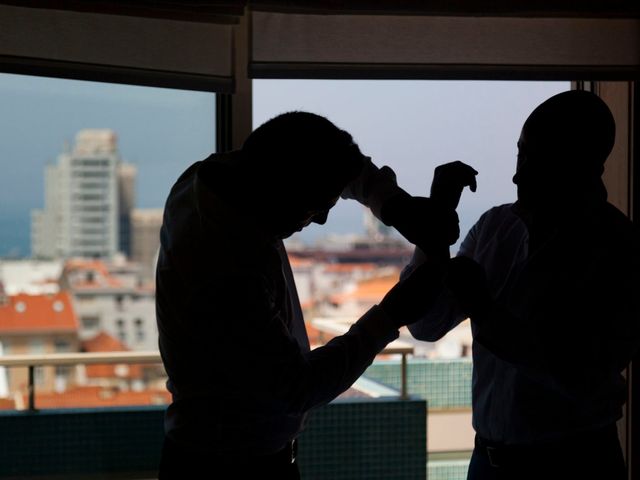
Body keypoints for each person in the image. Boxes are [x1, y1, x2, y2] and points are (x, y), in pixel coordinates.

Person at [155, 111, 462, 479]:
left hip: (216, 454)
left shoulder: (211, 180)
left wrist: (394, 205)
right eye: (315, 206)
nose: (320, 221)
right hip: (231, 467)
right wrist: (389, 316)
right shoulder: (226, 264)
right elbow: (297, 387)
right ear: (280, 185)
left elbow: (343, 168)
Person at [405, 90, 640, 480]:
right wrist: (435, 229)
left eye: (539, 159)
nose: (519, 173)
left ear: (584, 164)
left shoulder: (618, 248)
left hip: (575, 465)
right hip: (487, 460)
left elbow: (583, 374)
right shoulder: (494, 227)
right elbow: (425, 325)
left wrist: (484, 311)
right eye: (520, 153)